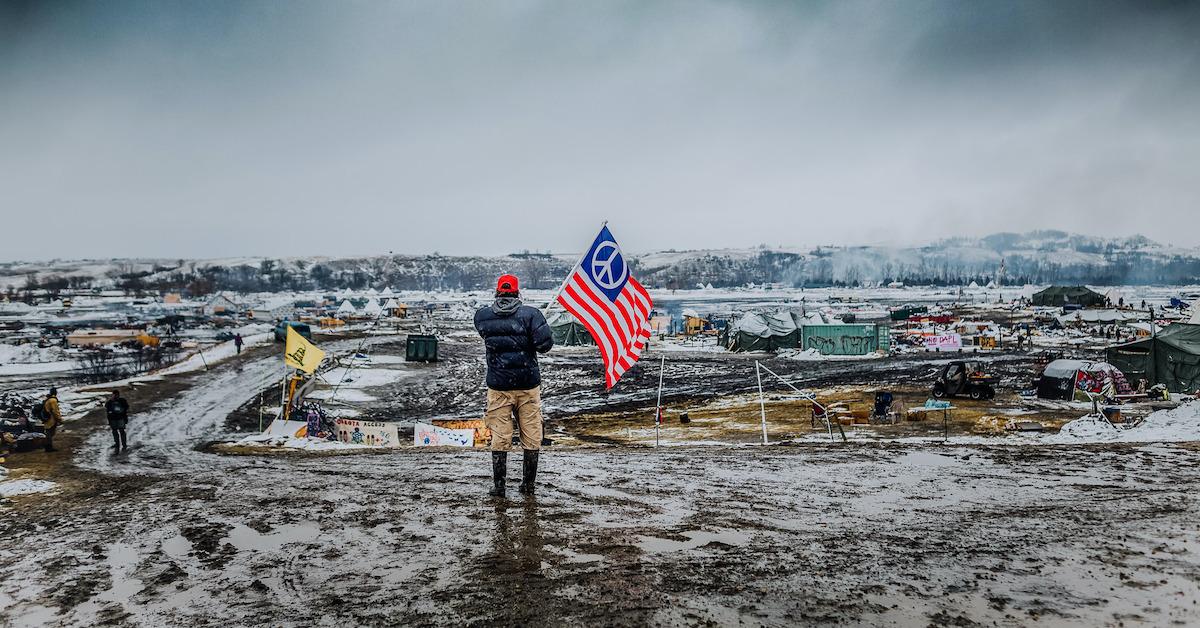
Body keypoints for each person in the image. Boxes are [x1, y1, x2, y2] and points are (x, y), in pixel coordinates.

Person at [474, 274, 553, 497]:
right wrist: (535, 327)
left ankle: (499, 487)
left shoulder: (483, 317)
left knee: (500, 435)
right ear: (517, 292)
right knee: (531, 434)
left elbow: (486, 334)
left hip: (499, 385)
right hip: (528, 385)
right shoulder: (531, 315)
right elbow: (545, 345)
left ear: (497, 292)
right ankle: (528, 485)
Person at [42, 387, 61, 453]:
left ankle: (48, 446)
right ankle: (48, 447)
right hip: (51, 419)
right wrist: (59, 419)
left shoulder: (48, 399)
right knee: (50, 433)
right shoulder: (53, 400)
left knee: (49, 433)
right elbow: (55, 411)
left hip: (46, 418)